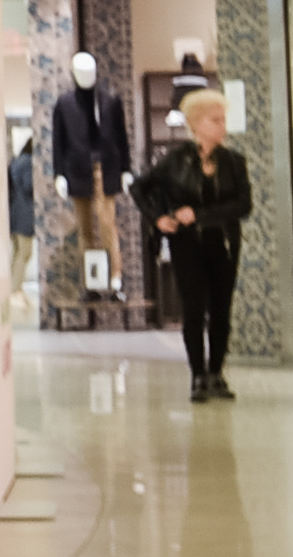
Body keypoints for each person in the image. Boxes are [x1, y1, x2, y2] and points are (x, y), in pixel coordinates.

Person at [134, 89, 253, 400]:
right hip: (186, 245)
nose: (222, 126)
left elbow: (243, 205)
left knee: (221, 311)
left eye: (223, 119)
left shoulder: (233, 162)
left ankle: (217, 373)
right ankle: (198, 375)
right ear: (196, 124)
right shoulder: (175, 161)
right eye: (215, 120)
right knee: (193, 309)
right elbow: (139, 188)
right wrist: (158, 218)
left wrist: (199, 215)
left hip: (223, 244)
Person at [48, 50, 132, 289]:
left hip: (106, 168)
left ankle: (115, 278)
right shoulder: (64, 104)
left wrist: (125, 169)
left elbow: (121, 137)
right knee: (85, 229)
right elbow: (59, 141)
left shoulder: (110, 101)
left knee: (108, 224)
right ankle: (92, 281)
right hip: (77, 169)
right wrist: (59, 174)